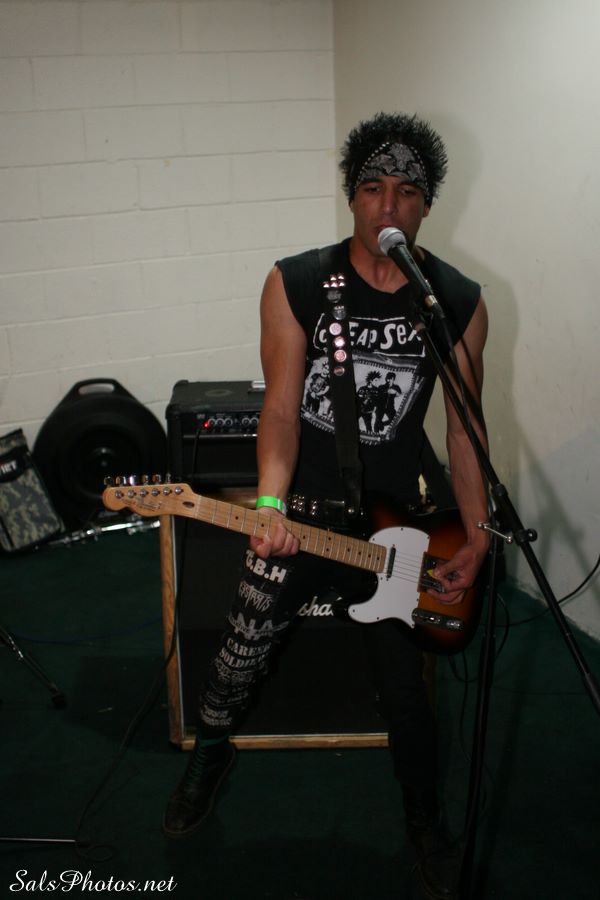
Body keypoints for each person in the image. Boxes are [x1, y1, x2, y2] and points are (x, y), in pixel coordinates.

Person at [163, 112, 490, 900]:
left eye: (406, 192)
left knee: (405, 694)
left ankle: (424, 820)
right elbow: (280, 409)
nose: (388, 206)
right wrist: (270, 503)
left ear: (427, 205)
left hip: (396, 533)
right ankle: (212, 751)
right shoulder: (299, 282)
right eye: (372, 189)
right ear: (352, 197)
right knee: (237, 655)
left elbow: (464, 430)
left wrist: (477, 536)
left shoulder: (455, 300)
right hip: (301, 514)